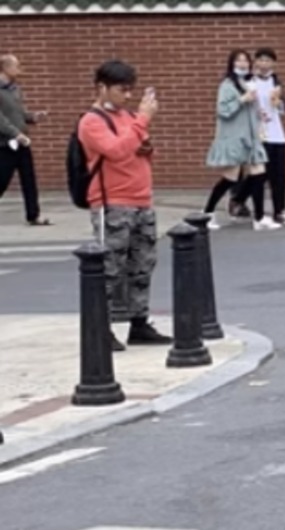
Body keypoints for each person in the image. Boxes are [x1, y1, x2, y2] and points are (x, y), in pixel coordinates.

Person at [77, 61, 171, 350]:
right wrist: (143, 120)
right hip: (112, 202)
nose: (127, 96)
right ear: (102, 87)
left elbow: (141, 149)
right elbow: (116, 151)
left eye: (131, 90)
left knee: (142, 265)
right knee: (109, 268)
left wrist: (145, 141)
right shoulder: (92, 121)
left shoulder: (129, 117)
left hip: (141, 199)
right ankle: (101, 327)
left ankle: (139, 323)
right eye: (121, 90)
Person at [202, 49, 277, 231]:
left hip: (251, 137)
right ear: (232, 64)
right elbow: (223, 111)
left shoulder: (248, 83)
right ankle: (207, 213)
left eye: (245, 61)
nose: (242, 64)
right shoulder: (227, 85)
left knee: (259, 173)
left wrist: (259, 114)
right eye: (238, 61)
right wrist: (243, 99)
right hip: (234, 138)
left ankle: (259, 218)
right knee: (230, 178)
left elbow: (251, 108)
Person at [0, 53, 50, 226]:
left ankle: (33, 215)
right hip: (6, 144)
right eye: (17, 66)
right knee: (2, 179)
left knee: (29, 180)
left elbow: (19, 114)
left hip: (22, 142)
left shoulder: (15, 89)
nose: (20, 70)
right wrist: (15, 134)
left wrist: (33, 117)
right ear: (5, 68)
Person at [249, 47, 285, 225]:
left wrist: (279, 102)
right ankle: (245, 203)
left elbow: (284, 108)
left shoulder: (276, 81)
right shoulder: (249, 81)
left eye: (268, 60)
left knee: (279, 175)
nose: (264, 64)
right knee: (260, 174)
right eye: (261, 60)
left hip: (277, 133)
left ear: (274, 63)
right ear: (255, 62)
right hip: (259, 134)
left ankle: (280, 210)